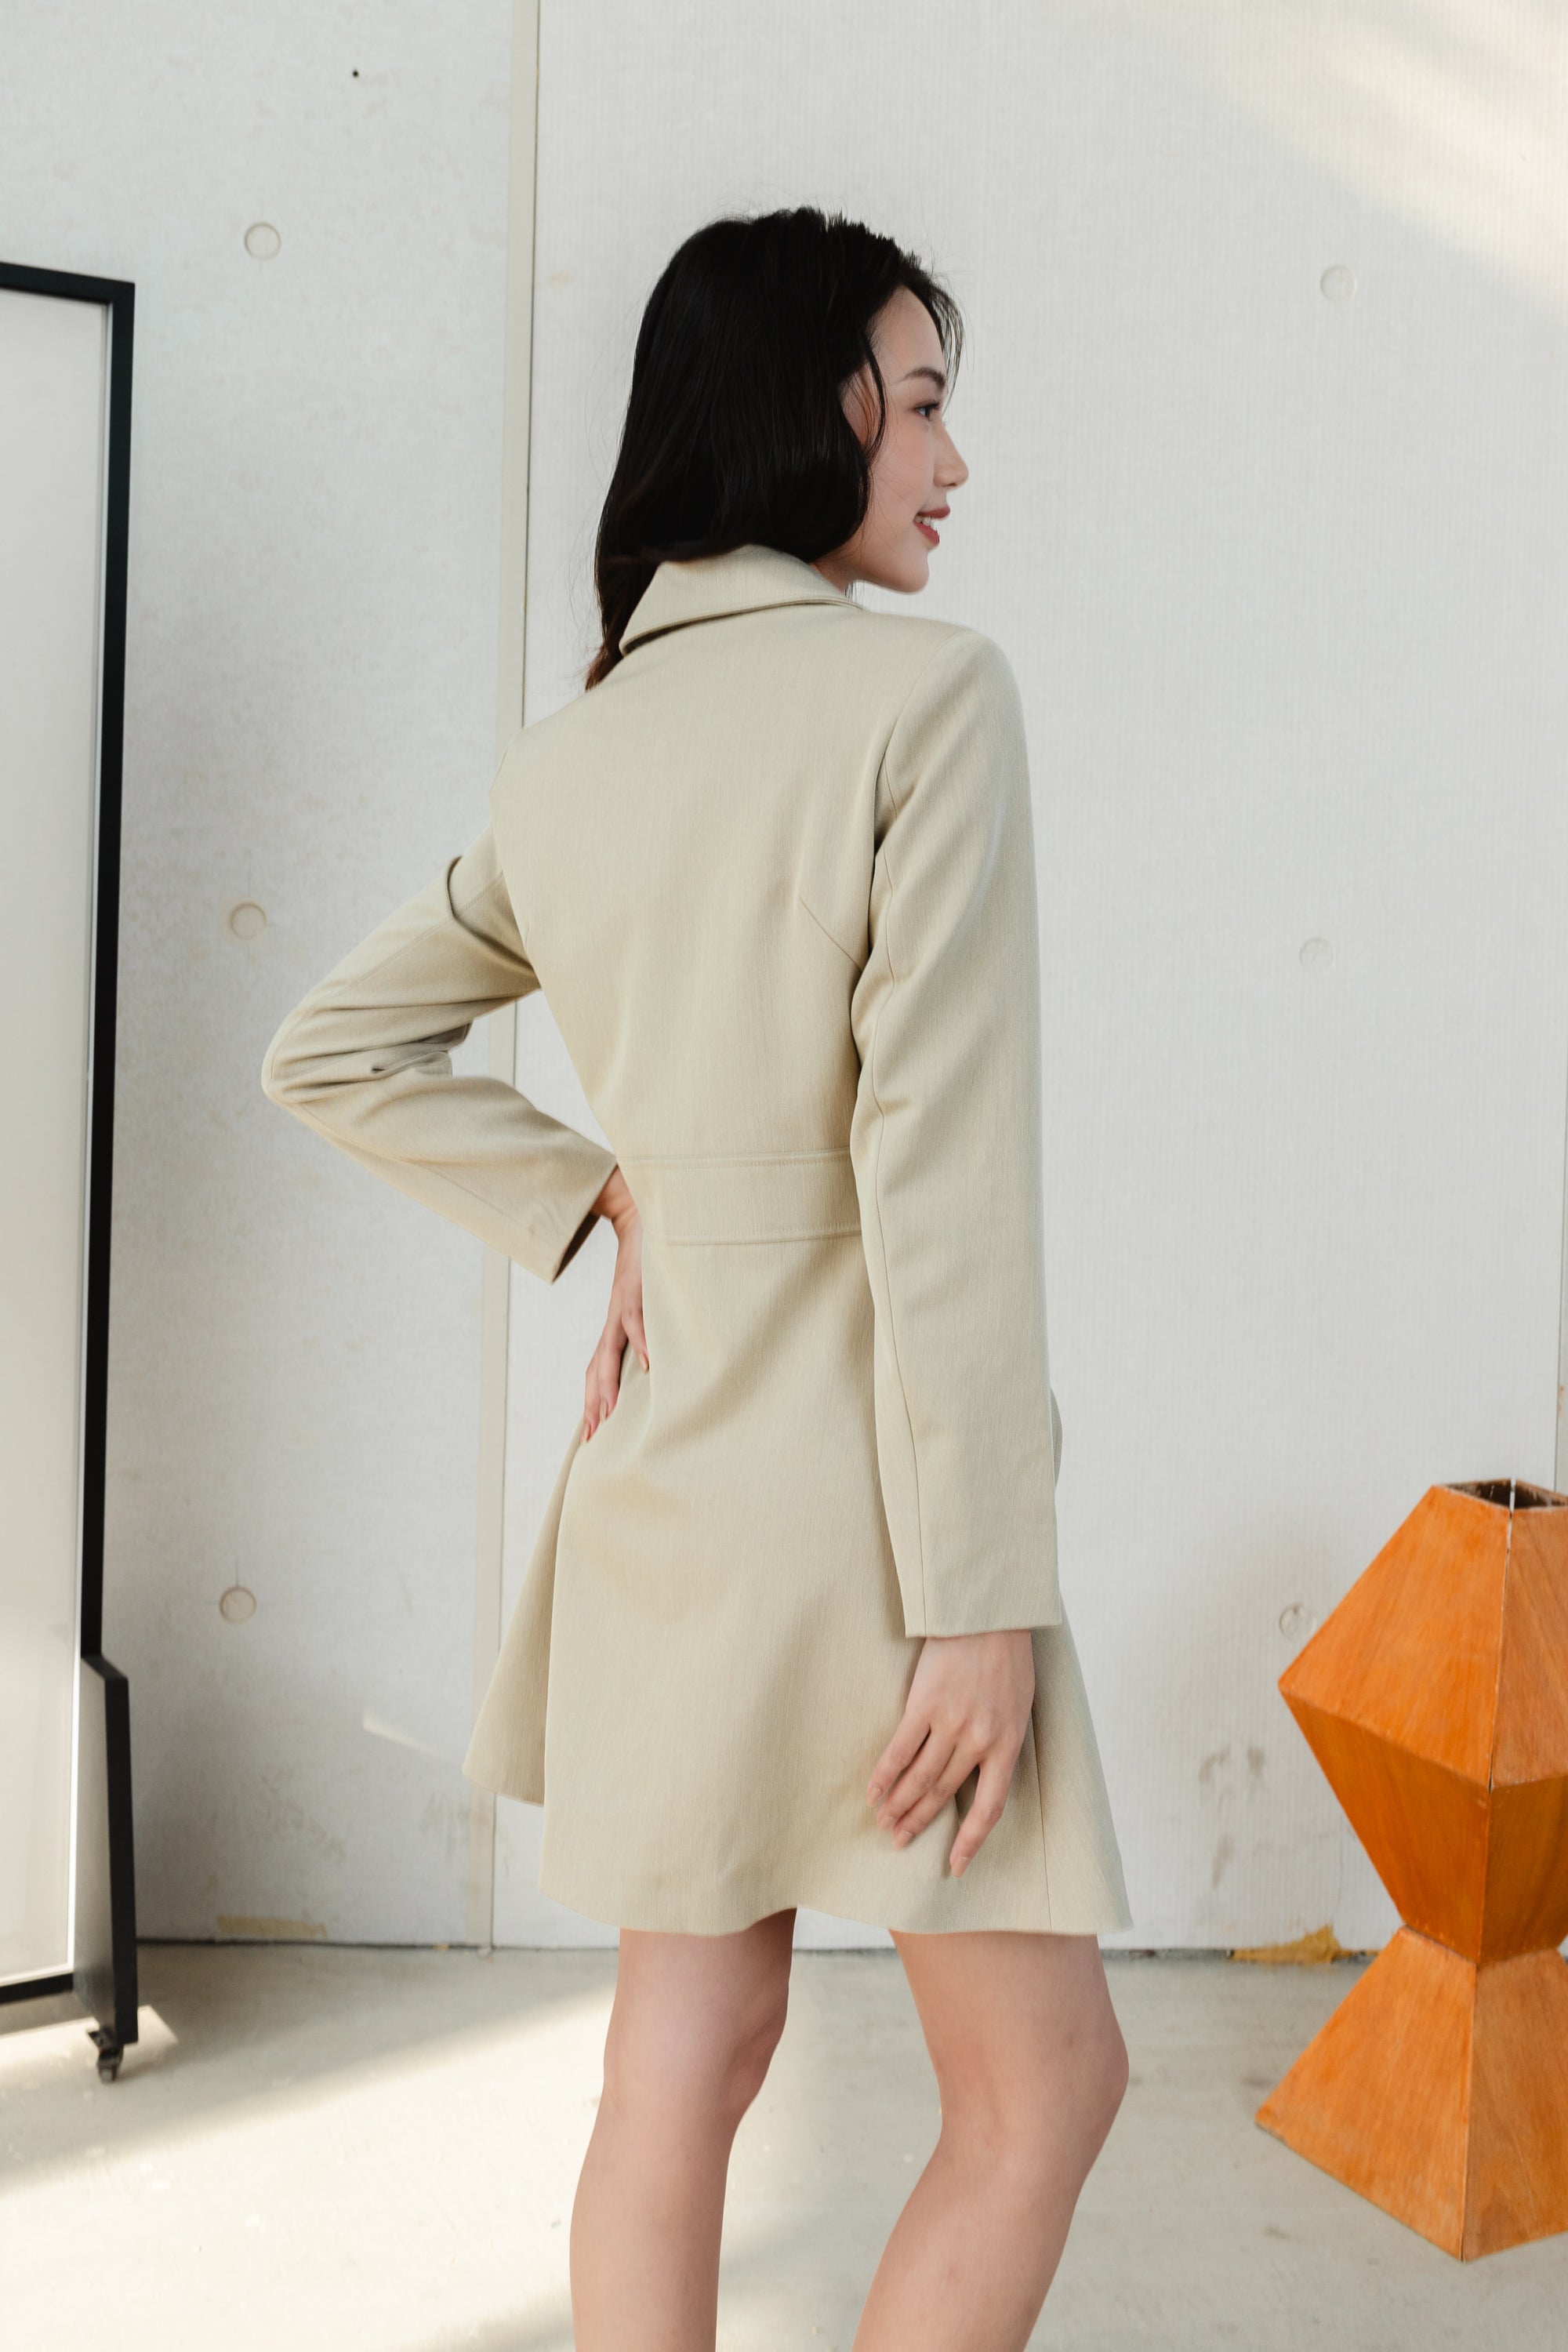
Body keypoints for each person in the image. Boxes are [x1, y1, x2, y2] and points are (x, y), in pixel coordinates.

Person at [262, 205, 1131, 2351]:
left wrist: (607, 1203)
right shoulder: (928, 700)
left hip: (663, 1492)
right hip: (882, 1513)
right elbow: (941, 1184)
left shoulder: (573, 752)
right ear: (811, 408)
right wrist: (983, 1597)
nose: (951, 459)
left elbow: (332, 1050)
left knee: (679, 2067)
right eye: (919, 405)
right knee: (1044, 2090)